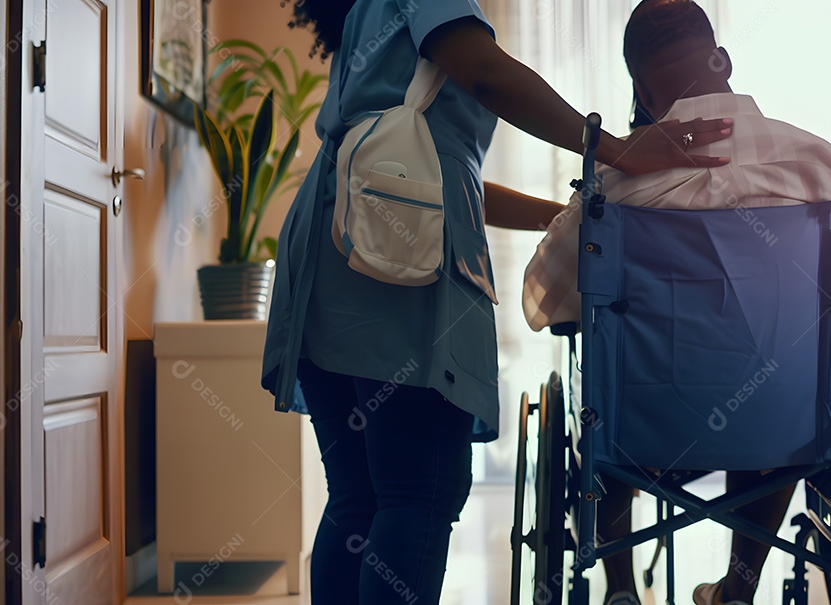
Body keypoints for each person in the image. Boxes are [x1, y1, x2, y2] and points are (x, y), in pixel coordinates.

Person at [261, 1, 734, 603]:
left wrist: (557, 215)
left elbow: (433, 177)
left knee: (360, 495)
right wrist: (617, 149)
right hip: (386, 264)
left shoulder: (373, 20)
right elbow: (484, 73)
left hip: (336, 243)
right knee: (418, 492)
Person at [522, 1, 831, 604]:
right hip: (782, 421)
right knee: (784, 384)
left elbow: (547, 303)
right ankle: (737, 591)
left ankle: (619, 590)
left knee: (603, 395)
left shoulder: (612, 184)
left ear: (639, 89)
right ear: (720, 59)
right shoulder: (821, 165)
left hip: (644, 428)